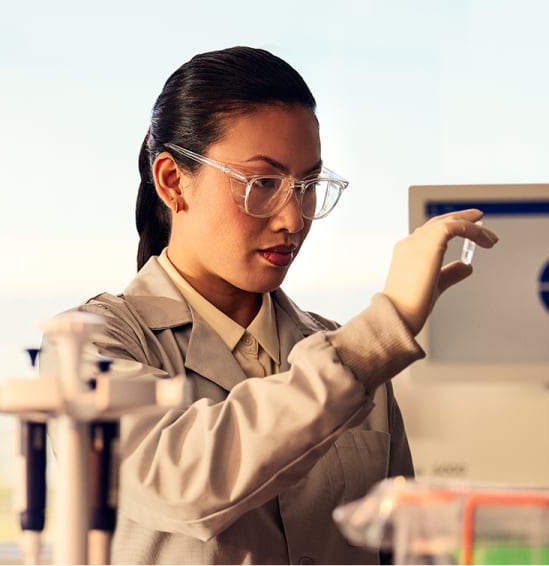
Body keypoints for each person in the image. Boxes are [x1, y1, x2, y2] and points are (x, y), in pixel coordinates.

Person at [40, 46, 498, 565]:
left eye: (307, 185)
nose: (294, 218)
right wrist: (381, 329)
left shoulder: (352, 356)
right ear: (172, 181)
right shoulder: (89, 346)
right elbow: (184, 478)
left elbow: (408, 549)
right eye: (262, 183)